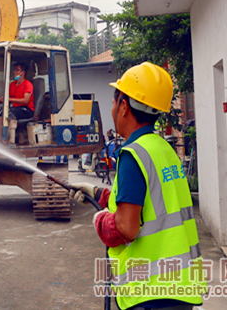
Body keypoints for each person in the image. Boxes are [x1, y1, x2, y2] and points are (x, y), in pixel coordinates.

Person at [69, 62, 205, 310]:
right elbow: (153, 202)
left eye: (113, 102)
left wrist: (101, 220)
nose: (112, 109)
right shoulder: (164, 149)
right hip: (180, 286)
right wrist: (99, 194)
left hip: (149, 293)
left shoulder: (132, 155)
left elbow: (126, 227)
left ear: (123, 106)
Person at [0, 62, 34, 143]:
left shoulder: (28, 84)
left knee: (9, 112)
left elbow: (26, 100)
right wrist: (2, 99)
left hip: (27, 110)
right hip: (16, 109)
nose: (14, 72)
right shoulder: (12, 84)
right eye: (14, 70)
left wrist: (10, 100)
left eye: (17, 70)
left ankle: (11, 140)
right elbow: (8, 96)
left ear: (23, 72)